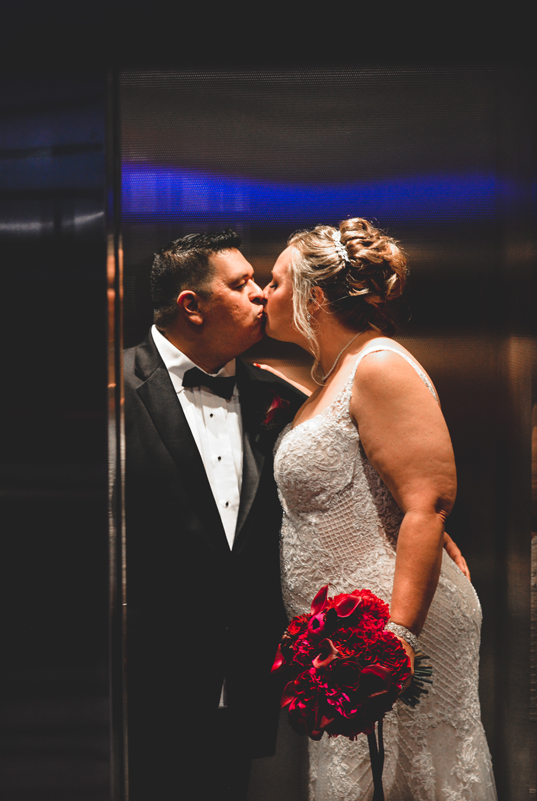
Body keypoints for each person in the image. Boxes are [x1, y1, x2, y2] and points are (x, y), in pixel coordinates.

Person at [263, 218, 498, 801]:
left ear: (312, 297)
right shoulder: (330, 374)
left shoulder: (378, 364)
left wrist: (396, 640)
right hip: (343, 651)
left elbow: (428, 501)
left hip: (392, 635)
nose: (261, 295)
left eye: (272, 282)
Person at [121, 230, 308, 801]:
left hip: (244, 676)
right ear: (191, 305)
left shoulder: (280, 400)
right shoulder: (108, 387)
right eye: (241, 283)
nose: (261, 295)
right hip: (139, 683)